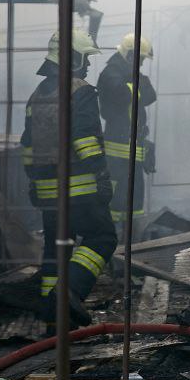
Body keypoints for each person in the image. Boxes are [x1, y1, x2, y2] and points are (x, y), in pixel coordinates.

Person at [21, 28, 116, 328]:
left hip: (49, 193)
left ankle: (54, 321)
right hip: (80, 188)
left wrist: (36, 182)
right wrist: (101, 172)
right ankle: (68, 294)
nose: (88, 65)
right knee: (102, 238)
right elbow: (85, 138)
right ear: (71, 57)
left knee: (56, 250)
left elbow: (27, 146)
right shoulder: (81, 92)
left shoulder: (37, 96)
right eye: (85, 58)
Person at [97, 33, 158, 240]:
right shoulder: (110, 74)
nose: (141, 64)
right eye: (140, 59)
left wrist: (135, 87)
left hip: (133, 149)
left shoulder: (128, 74)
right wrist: (137, 87)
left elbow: (151, 95)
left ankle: (131, 249)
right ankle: (112, 246)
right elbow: (120, 94)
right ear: (129, 55)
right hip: (118, 150)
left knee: (133, 202)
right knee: (116, 201)